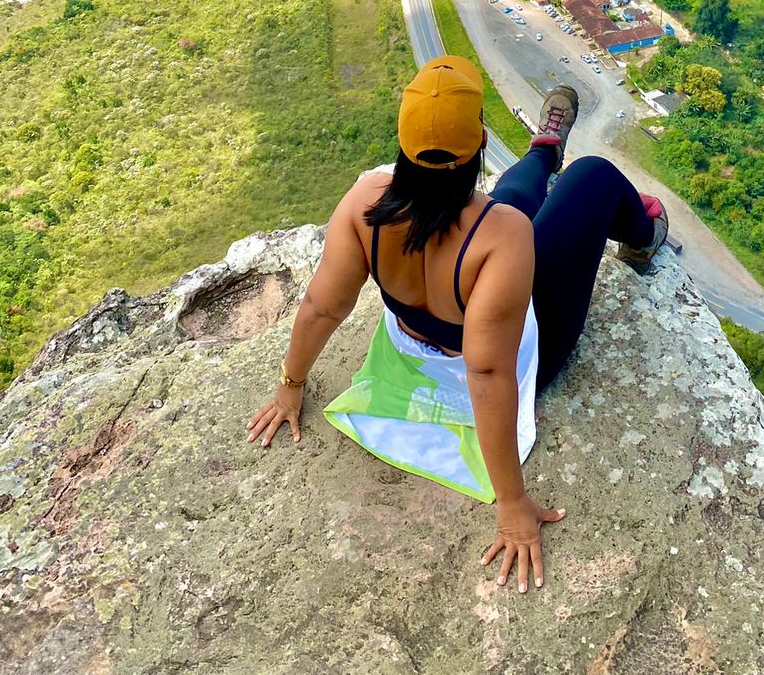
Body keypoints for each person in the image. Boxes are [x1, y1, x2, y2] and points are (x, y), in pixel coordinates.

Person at [246, 53, 669, 593]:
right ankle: (643, 233)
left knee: (511, 200)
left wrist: (291, 387)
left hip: (422, 344)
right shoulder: (504, 235)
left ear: (403, 145)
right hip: (504, 355)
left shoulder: (364, 204)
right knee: (591, 180)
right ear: (482, 143)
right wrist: (512, 505)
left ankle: (544, 150)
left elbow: (321, 308)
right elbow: (490, 372)